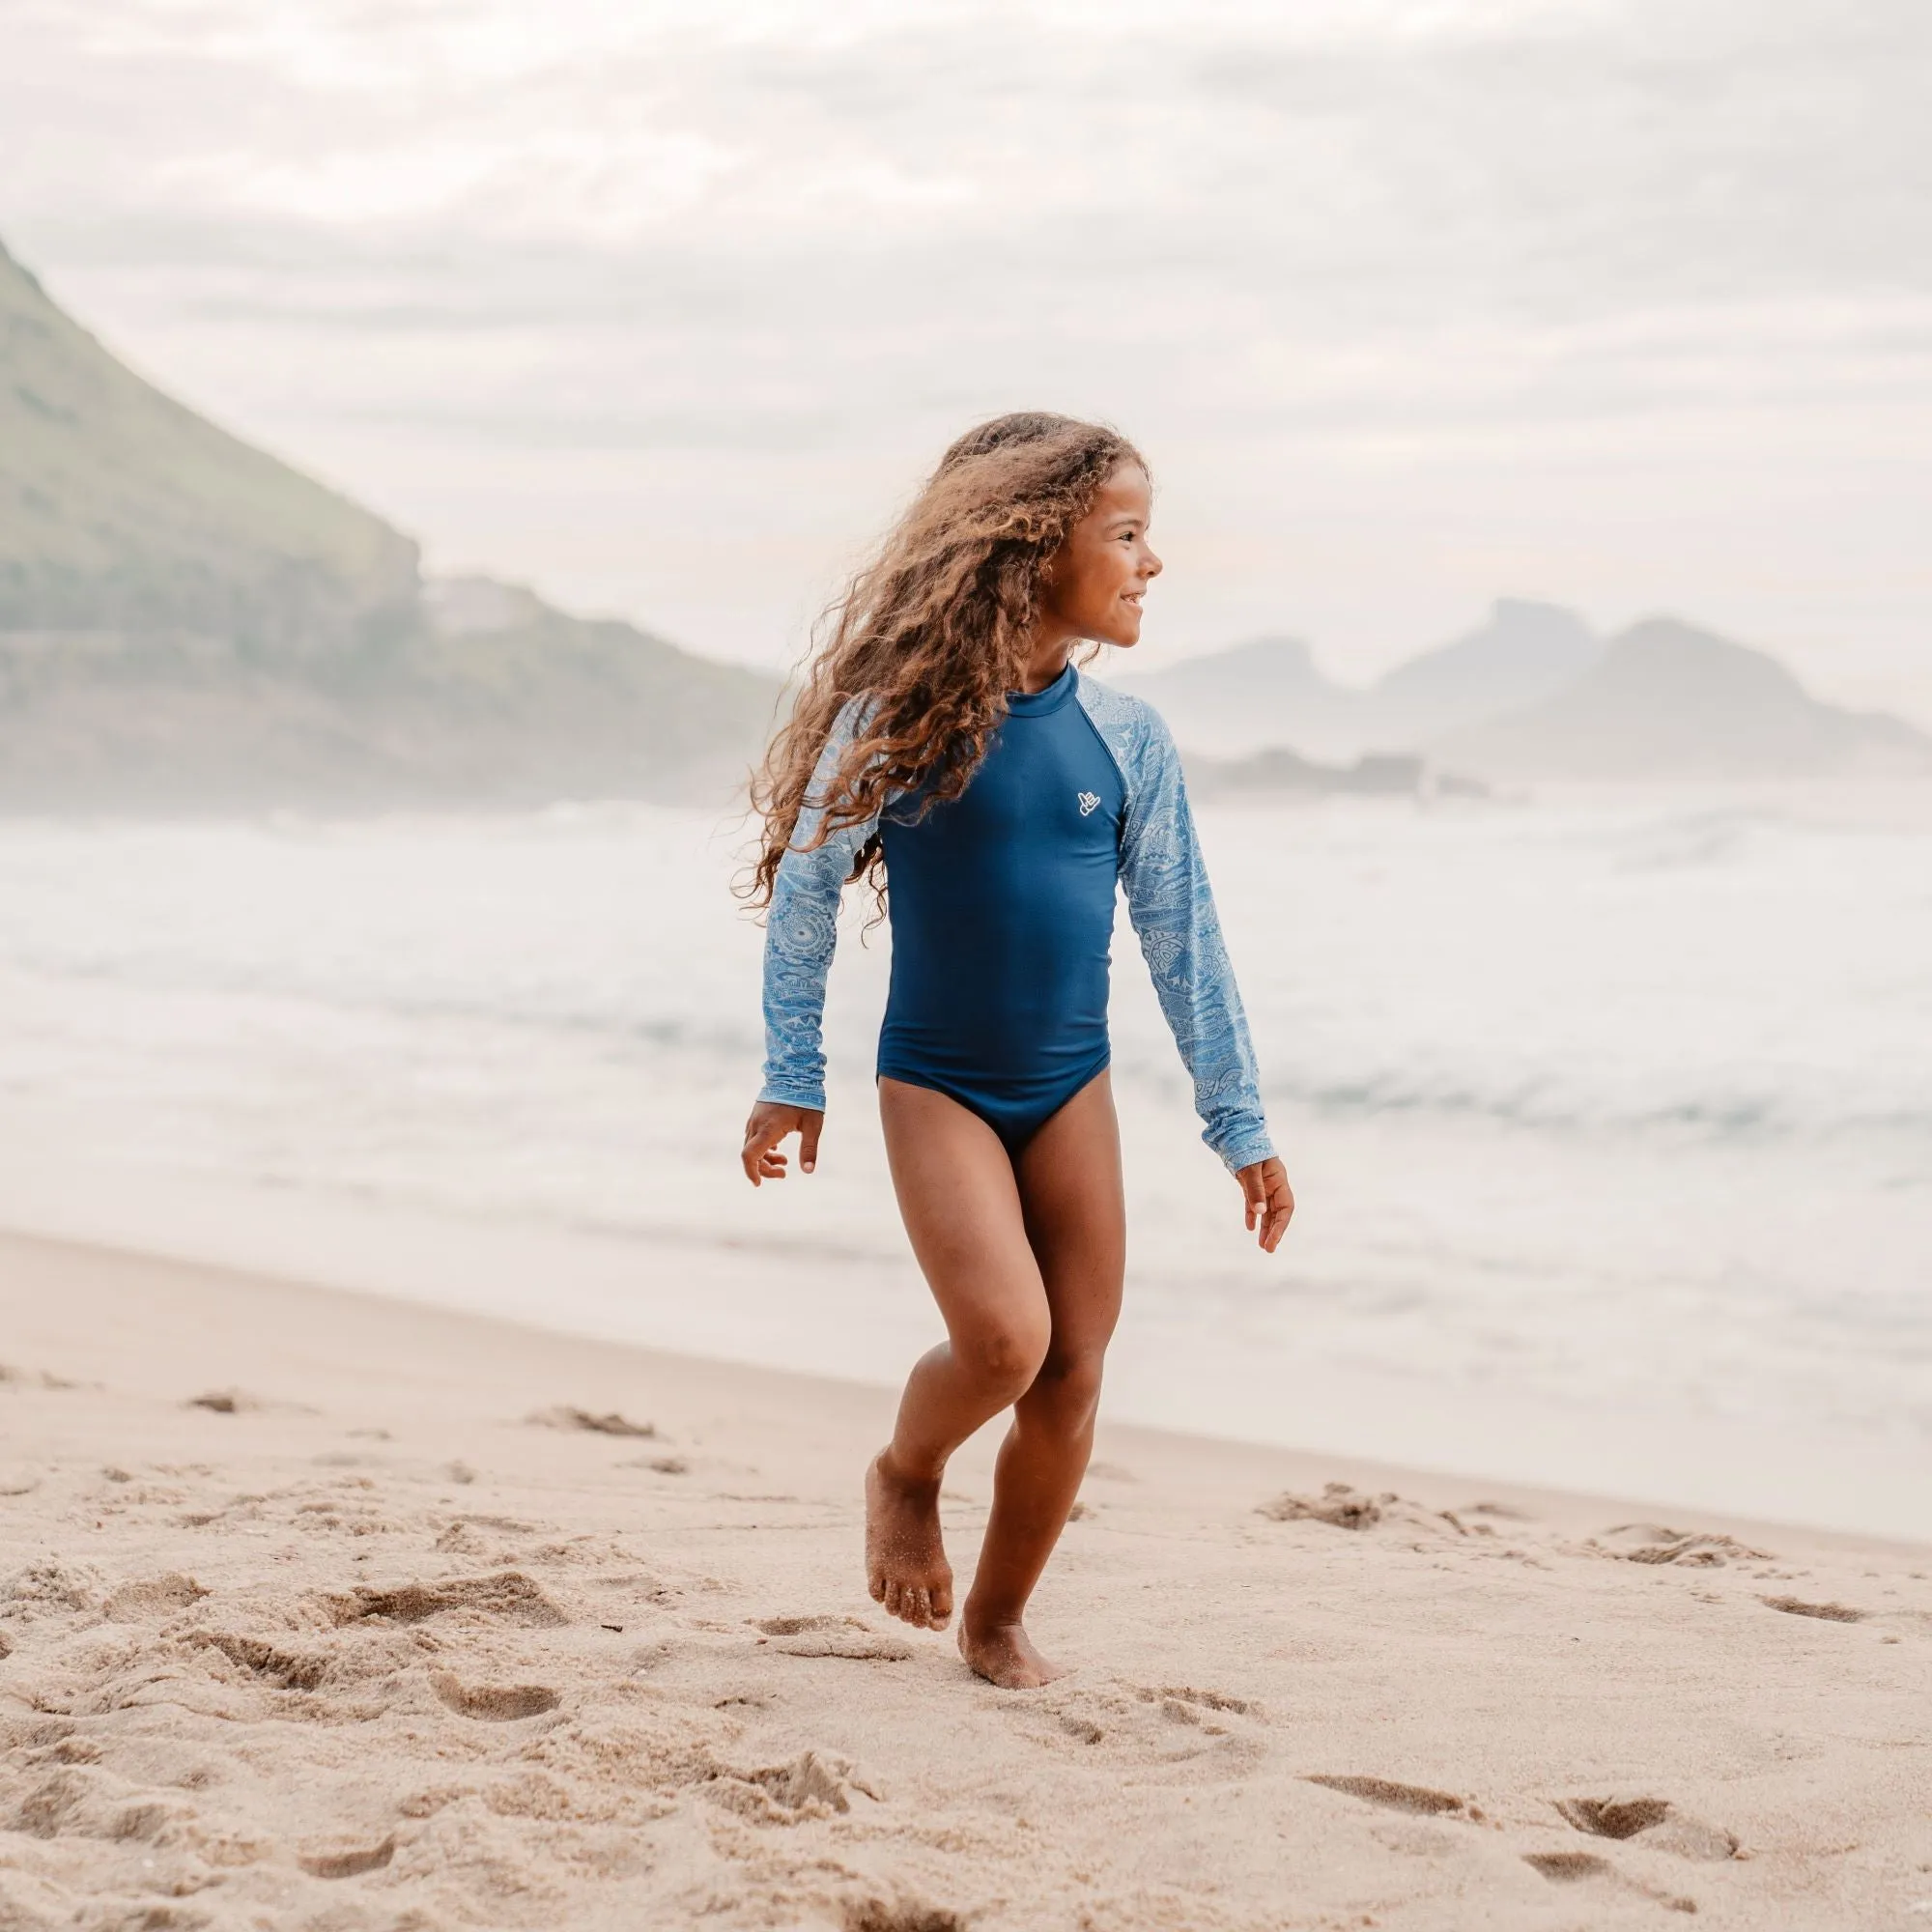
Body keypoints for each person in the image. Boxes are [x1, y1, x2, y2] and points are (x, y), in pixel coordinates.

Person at [741, 412, 1293, 1689]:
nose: (1152, 563)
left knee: (1076, 1372)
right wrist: (792, 1073)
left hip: (1070, 1087)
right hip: (937, 1081)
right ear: (1032, 548)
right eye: (1127, 533)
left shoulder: (1132, 741)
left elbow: (1181, 937)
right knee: (1003, 1344)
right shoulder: (902, 718)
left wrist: (1239, 1120)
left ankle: (996, 1619)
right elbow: (812, 893)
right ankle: (906, 1468)